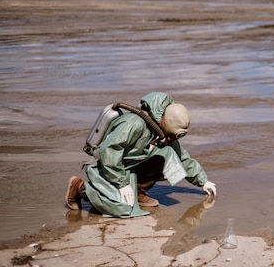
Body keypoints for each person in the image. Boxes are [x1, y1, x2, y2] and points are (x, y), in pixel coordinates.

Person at [65, 92, 217, 217]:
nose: (170, 139)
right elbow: (109, 151)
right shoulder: (135, 123)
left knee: (168, 154)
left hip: (129, 168)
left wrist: (203, 181)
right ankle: (81, 188)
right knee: (123, 209)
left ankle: (137, 191)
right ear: (165, 121)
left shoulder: (163, 133)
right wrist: (122, 184)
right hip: (106, 167)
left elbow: (181, 158)